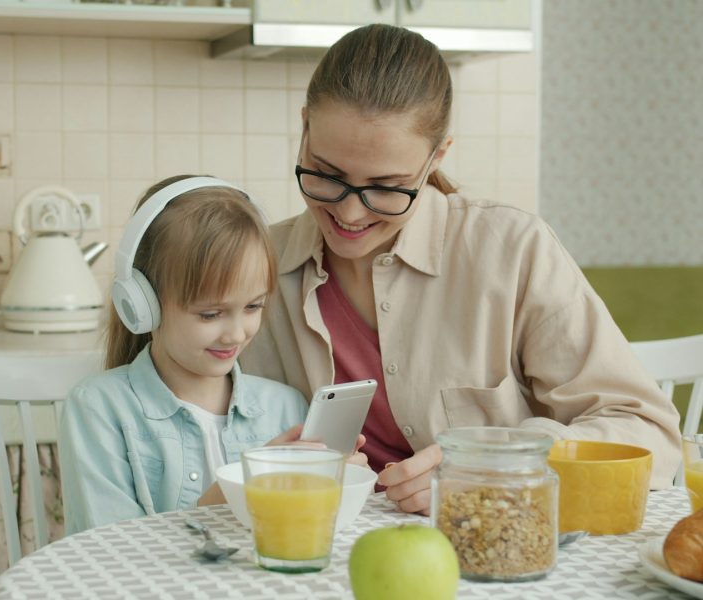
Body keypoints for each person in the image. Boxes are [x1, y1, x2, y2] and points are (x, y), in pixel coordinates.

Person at [240, 23, 681, 515]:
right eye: (326, 175)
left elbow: (649, 434)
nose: (350, 214)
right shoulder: (256, 268)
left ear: (436, 158)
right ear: (304, 129)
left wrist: (496, 467)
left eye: (387, 187)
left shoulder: (512, 250)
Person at [59, 175, 367, 535]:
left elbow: (302, 535)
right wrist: (235, 492)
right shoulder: (99, 408)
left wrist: (336, 488)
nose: (236, 334)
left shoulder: (286, 407)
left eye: (253, 306)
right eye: (210, 314)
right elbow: (110, 549)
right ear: (144, 306)